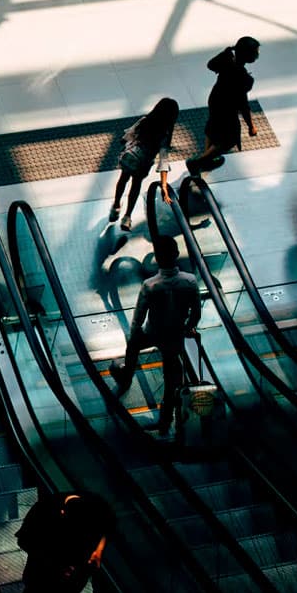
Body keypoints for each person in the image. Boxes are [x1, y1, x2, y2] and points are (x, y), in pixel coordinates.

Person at [110, 235, 201, 436]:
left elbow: (138, 317)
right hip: (174, 338)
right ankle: (165, 423)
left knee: (133, 347)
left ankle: (126, 377)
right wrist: (188, 328)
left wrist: (134, 336)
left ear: (158, 259)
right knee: (171, 381)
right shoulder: (190, 281)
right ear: (176, 255)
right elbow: (196, 314)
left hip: (152, 333)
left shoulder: (150, 285)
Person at [186, 36, 260, 174]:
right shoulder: (244, 78)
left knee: (213, 128)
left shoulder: (227, 61)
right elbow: (243, 104)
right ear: (248, 54)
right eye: (256, 51)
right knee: (229, 140)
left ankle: (205, 161)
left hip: (216, 100)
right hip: (228, 108)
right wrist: (251, 125)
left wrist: (226, 53)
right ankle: (198, 162)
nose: (258, 54)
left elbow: (211, 65)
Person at [16, 491, 114, 593]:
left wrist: (98, 550)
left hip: (72, 581)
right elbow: (23, 541)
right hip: (42, 578)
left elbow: (109, 522)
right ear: (62, 513)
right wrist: (56, 565)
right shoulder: (42, 511)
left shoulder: (93, 505)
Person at [108, 97, 178, 232]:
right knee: (135, 186)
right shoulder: (165, 132)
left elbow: (127, 136)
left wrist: (126, 143)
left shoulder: (146, 121)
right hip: (144, 164)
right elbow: (163, 158)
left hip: (130, 159)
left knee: (123, 180)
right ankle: (127, 217)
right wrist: (163, 183)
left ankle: (116, 206)